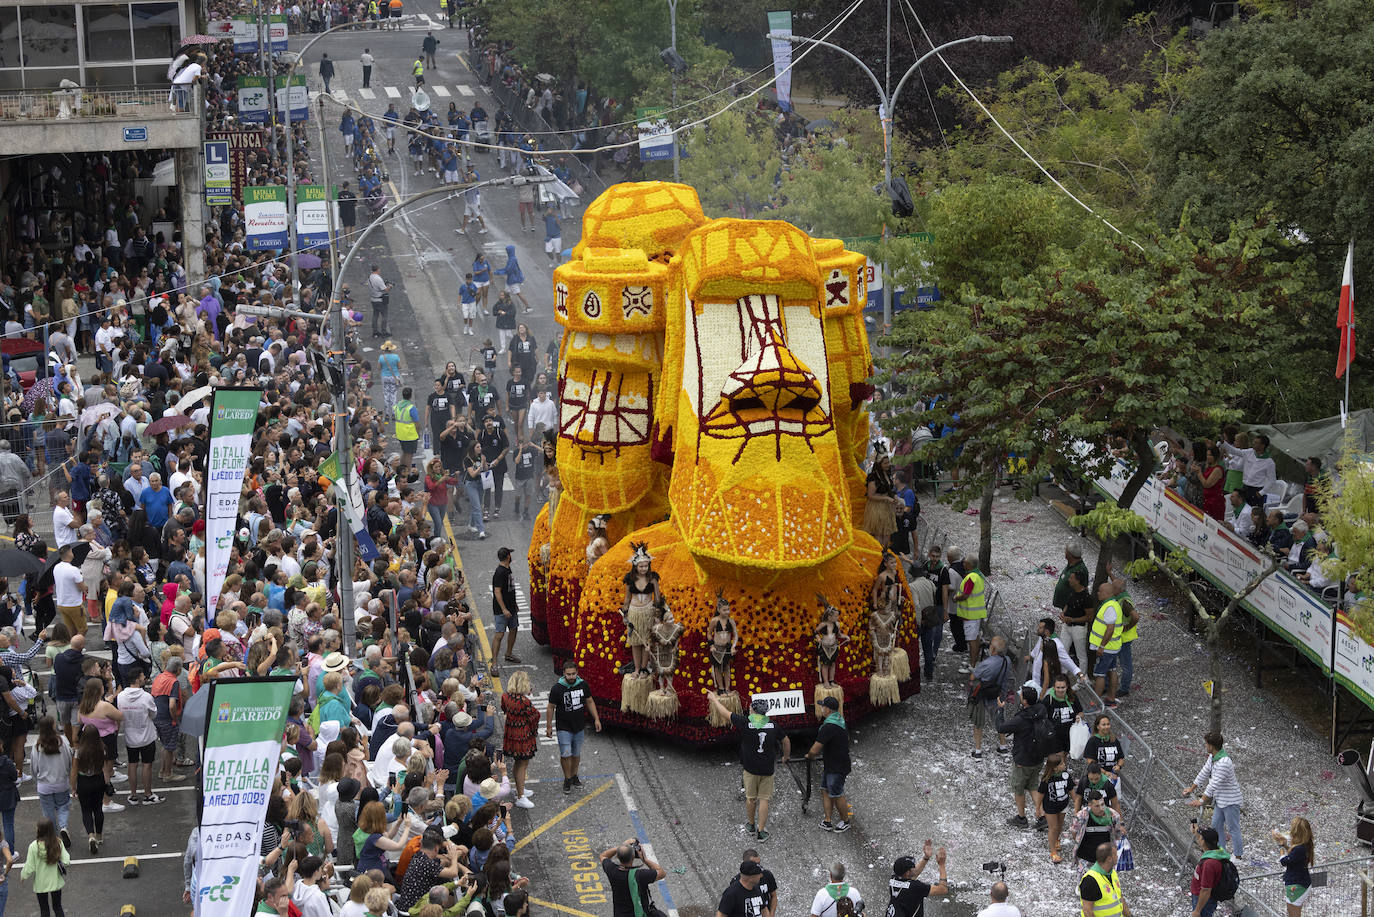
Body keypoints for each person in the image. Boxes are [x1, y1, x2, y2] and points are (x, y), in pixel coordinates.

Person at [710, 693, 789, 842]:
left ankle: (751, 825)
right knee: (764, 799)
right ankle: (761, 831)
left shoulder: (745, 723)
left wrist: (714, 699)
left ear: (753, 710)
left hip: (750, 769)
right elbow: (786, 741)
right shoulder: (774, 726)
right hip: (767, 769)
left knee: (751, 798)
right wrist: (786, 756)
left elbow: (724, 713)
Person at [995, 684, 1050, 829]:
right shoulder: (1042, 710)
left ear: (1025, 702)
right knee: (1033, 786)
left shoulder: (1022, 719)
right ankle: (1042, 816)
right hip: (1037, 758)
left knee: (1018, 789)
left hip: (1023, 760)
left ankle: (1021, 818)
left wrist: (1000, 709)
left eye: (1021, 697)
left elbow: (1001, 727)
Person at [1182, 731, 1244, 858]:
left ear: (1211, 746)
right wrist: (1192, 788)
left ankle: (1238, 856)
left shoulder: (1224, 762)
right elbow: (1204, 772)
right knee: (1216, 827)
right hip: (1220, 800)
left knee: (1233, 828)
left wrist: (1201, 800)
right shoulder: (1213, 757)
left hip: (1230, 801)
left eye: (1206, 744)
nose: (1205, 746)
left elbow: (1213, 784)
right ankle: (1220, 852)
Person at [546, 660, 601, 793]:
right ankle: (567, 778)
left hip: (579, 726)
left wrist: (597, 719)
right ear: (563, 673)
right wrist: (548, 726)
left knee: (576, 754)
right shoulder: (557, 689)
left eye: (573, 674)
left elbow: (589, 701)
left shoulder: (583, 685)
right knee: (566, 754)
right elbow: (550, 707)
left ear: (577, 673)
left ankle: (574, 776)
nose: (571, 677)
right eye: (568, 674)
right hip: (563, 727)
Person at [116, 668, 161, 805]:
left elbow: (120, 713)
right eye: (142, 676)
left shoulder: (121, 696)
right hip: (146, 735)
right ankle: (148, 794)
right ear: (137, 679)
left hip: (130, 736)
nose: (144, 678)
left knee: (132, 764)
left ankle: (133, 794)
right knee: (147, 765)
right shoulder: (146, 697)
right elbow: (153, 714)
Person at [805, 695, 850, 833]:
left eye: (822, 706)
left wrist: (810, 756)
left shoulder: (828, 727)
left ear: (828, 709)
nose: (821, 709)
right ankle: (827, 820)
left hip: (836, 766)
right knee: (825, 789)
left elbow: (815, 748)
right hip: (832, 764)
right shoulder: (839, 720)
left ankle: (845, 821)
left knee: (837, 793)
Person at [969, 635, 1011, 759]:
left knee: (978, 722)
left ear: (992, 648)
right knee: (999, 719)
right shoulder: (1007, 660)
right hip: (999, 694)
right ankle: (1003, 746)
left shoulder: (987, 663)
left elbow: (973, 677)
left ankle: (978, 750)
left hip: (983, 695)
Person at [600, 839, 665, 917]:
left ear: (618, 856)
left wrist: (621, 847)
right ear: (633, 856)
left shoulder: (611, 870)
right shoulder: (640, 875)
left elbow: (603, 856)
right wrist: (645, 859)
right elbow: (661, 873)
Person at [19, 818, 67, 917]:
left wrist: (23, 875)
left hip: (40, 883)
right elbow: (66, 861)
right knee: (57, 907)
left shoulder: (33, 846)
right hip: (56, 880)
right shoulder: (57, 842)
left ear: (39, 830)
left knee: (44, 909)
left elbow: (30, 866)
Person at [885, 843, 947, 917]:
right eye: (913, 867)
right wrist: (941, 865)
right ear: (907, 872)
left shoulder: (893, 879)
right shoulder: (915, 887)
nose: (915, 868)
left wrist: (926, 858)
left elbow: (913, 875)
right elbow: (943, 889)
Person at [1034, 752, 1074, 864]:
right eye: (1061, 764)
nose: (1064, 764)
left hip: (1063, 804)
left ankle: (1057, 839)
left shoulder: (1066, 775)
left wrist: (1076, 804)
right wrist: (1038, 808)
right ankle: (1053, 852)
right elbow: (1040, 794)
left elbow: (1071, 790)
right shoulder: (1046, 779)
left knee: (1060, 825)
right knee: (1053, 827)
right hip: (1050, 807)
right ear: (1055, 768)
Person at [952, 554, 987, 674]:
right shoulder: (978, 575)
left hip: (970, 615)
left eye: (964, 562)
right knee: (975, 639)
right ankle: (974, 662)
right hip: (976, 614)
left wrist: (956, 598)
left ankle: (972, 666)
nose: (963, 564)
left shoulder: (971, 577)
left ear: (970, 565)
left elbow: (965, 595)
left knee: (972, 641)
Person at [1088, 582, 1122, 708]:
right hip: (1113, 647)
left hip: (1107, 648)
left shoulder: (1109, 607)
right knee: (1112, 670)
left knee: (1100, 674)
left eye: (1100, 591)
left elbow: (1110, 629)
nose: (1098, 593)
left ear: (1107, 593)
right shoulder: (1114, 604)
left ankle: (1095, 703)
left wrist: (1101, 646)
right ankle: (1111, 699)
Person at [1272, 816, 1314, 915]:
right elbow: (1294, 857)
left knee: (1293, 913)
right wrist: (1285, 845)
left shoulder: (1299, 848)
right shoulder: (1305, 844)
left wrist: (1280, 847)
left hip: (1297, 886)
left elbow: (1284, 861)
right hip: (1302, 883)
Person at [1189, 826, 1233, 917]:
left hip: (1203, 900)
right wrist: (1196, 830)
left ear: (1203, 841)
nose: (1198, 838)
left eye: (1200, 838)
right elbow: (1204, 838)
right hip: (1204, 898)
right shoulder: (1217, 851)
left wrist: (1197, 911)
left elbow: (1206, 890)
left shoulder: (1209, 864)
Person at [1078, 841, 1131, 917]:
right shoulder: (1090, 881)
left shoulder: (1112, 873)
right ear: (1109, 859)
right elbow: (1087, 911)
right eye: (1115, 855)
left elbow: (1120, 898)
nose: (1118, 857)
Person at [491, 547, 520, 666]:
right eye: (510, 554)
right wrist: (504, 609)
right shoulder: (500, 572)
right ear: (508, 556)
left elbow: (510, 589)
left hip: (511, 607)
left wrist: (515, 604)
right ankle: (494, 663)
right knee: (500, 634)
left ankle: (508, 654)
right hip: (501, 610)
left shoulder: (507, 569)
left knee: (514, 629)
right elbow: (497, 592)